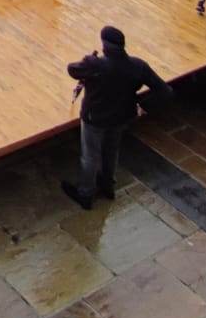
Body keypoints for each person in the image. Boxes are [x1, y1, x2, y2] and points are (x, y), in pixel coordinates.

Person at [61, 25, 171, 208]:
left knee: (90, 155)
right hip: (121, 116)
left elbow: (72, 70)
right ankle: (108, 187)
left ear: (104, 46)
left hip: (94, 118)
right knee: (111, 151)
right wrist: (143, 105)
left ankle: (86, 194)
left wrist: (88, 60)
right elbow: (165, 91)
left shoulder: (96, 65)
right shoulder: (137, 66)